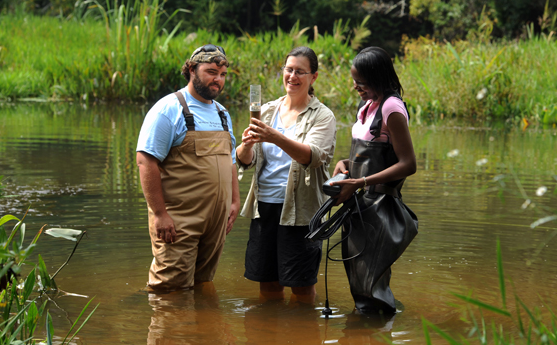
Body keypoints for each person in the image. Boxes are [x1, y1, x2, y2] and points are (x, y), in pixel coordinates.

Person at [236, 46, 336, 303]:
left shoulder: (323, 115)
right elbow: (246, 161)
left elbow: (312, 157)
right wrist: (247, 145)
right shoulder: (267, 110)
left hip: (300, 212)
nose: (292, 76)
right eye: (289, 70)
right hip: (265, 207)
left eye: (300, 72)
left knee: (301, 287)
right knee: (267, 283)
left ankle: (302, 334)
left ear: (313, 77)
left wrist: (275, 136)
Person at [136, 44, 240, 292]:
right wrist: (160, 214)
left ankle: (200, 332)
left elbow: (231, 162)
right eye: (211, 72)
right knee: (168, 291)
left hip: (216, 221)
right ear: (192, 69)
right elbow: (145, 161)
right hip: (179, 220)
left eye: (223, 74)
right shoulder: (168, 109)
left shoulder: (223, 114)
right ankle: (169, 330)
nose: (218, 80)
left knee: (203, 286)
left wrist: (234, 202)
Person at [330, 46, 418, 314]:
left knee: (370, 286)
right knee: (360, 282)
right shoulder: (367, 105)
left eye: (362, 82)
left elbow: (408, 164)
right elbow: (360, 157)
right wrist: (344, 167)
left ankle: (374, 329)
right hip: (358, 207)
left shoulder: (391, 107)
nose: (356, 87)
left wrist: (360, 183)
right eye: (355, 81)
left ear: (378, 78)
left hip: (379, 209)